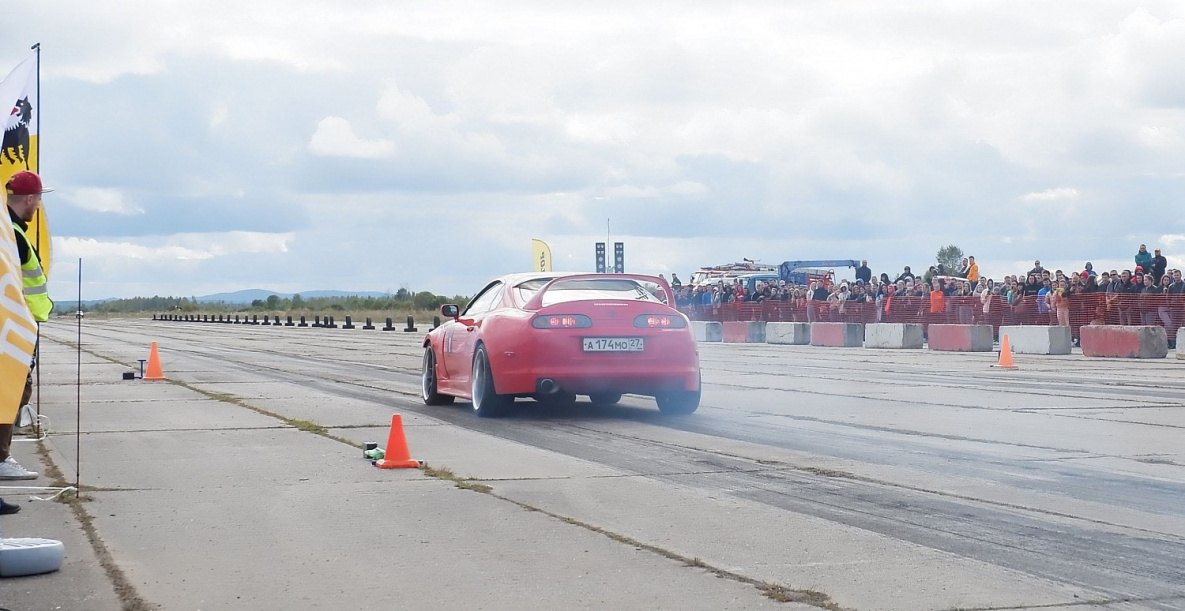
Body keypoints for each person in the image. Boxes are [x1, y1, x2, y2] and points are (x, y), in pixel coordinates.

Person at [1, 171, 53, 480]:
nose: (39, 206)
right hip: (15, 327)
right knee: (12, 390)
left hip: (18, 324)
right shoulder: (14, 235)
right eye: (39, 199)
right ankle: (0, 458)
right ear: (30, 199)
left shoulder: (11, 230)